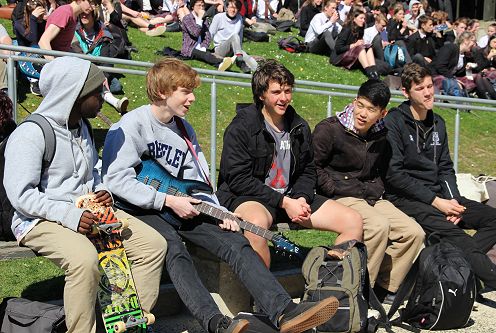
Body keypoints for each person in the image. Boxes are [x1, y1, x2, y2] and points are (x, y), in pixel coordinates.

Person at [101, 57, 340, 333]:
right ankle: (217, 323)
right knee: (174, 249)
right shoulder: (133, 124)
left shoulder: (184, 129)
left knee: (234, 242)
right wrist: (166, 201)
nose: (192, 98)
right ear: (163, 91)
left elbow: (199, 182)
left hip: (182, 204)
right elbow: (116, 180)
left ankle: (284, 312)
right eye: (185, 92)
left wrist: (220, 212)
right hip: (141, 209)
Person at [3, 56, 167, 333]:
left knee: (152, 245)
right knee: (84, 260)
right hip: (38, 219)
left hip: (87, 213)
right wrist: (70, 214)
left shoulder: (83, 127)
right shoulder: (31, 133)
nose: (104, 97)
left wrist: (102, 190)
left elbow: (93, 173)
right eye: (96, 92)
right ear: (73, 93)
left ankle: (127, 324)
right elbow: (22, 196)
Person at [216, 59, 363, 268]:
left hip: (291, 197)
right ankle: (265, 296)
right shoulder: (242, 127)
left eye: (287, 91)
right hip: (251, 197)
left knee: (353, 220)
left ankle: (328, 280)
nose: (284, 98)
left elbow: (308, 169)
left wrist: (301, 198)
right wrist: (284, 202)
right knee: (256, 226)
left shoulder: (299, 125)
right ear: (261, 95)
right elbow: (237, 179)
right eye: (276, 92)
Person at [383, 62, 496, 294]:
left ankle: (455, 266)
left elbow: (445, 167)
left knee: (495, 219)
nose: (428, 93)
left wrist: (453, 201)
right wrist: (436, 203)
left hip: (441, 197)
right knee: (461, 240)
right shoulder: (394, 122)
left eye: (429, 86)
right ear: (406, 92)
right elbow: (395, 175)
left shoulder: (438, 123)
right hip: (409, 199)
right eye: (420, 88)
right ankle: (477, 273)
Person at [312, 79, 425, 302]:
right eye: (360, 105)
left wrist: (376, 190)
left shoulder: (382, 135)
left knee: (413, 233)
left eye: (371, 109)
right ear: (355, 101)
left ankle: (383, 287)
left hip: (370, 196)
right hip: (339, 195)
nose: (362, 113)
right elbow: (312, 166)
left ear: (382, 113)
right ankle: (356, 291)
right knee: (378, 226)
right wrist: (332, 187)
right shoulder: (330, 129)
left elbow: (381, 172)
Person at [73, 9, 129, 113]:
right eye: (82, 14)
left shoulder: (104, 34)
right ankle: (115, 102)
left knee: (116, 86)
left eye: (87, 14)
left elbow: (106, 60)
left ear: (94, 16)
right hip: (82, 69)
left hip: (99, 70)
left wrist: (103, 77)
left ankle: (96, 92)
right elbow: (78, 55)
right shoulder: (74, 32)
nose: (83, 17)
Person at [430, 31, 496, 100]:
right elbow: (440, 66)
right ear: (465, 40)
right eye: (473, 41)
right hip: (439, 76)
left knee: (478, 75)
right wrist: (453, 78)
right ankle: (489, 99)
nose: (474, 44)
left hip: (452, 78)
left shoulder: (465, 55)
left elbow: (477, 69)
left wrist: (470, 68)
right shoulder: (450, 48)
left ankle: (492, 97)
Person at [180, 0, 234, 71]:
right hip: (190, 48)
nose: (201, 8)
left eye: (203, 6)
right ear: (193, 7)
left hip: (201, 47)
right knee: (205, 55)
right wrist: (200, 19)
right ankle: (221, 63)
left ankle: (225, 62)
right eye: (199, 5)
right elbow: (195, 33)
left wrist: (204, 46)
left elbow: (207, 36)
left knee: (208, 54)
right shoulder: (187, 18)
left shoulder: (204, 19)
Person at [209, 0, 259, 73]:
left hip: (235, 49)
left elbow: (240, 37)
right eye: (231, 7)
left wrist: (240, 51)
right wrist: (204, 48)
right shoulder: (218, 17)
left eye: (235, 8)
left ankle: (259, 70)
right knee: (235, 36)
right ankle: (240, 63)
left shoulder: (239, 19)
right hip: (220, 49)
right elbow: (210, 33)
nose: (233, 10)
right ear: (226, 8)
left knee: (253, 63)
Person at [331, 6, 379, 79]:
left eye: (364, 18)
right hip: (338, 57)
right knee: (361, 48)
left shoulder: (360, 29)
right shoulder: (347, 29)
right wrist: (355, 44)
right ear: (354, 19)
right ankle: (369, 72)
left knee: (369, 47)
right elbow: (338, 48)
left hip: (352, 53)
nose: (363, 21)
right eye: (361, 18)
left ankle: (374, 71)